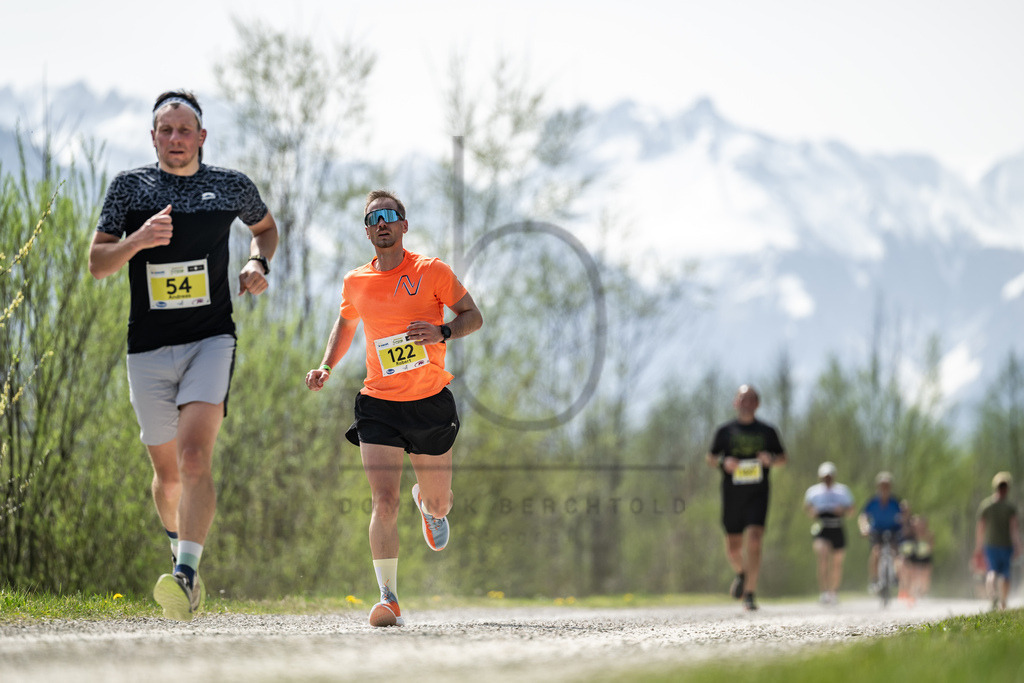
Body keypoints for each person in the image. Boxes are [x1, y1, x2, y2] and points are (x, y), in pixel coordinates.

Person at [88, 90, 278, 621]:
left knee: (196, 458)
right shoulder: (130, 188)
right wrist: (138, 241)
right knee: (168, 473)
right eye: (165, 130)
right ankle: (179, 548)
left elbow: (265, 229)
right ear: (153, 137)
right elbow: (97, 264)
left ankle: (186, 575)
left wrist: (257, 262)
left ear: (201, 137)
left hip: (210, 339)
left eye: (184, 130)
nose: (175, 139)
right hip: (147, 348)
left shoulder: (230, 185)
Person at [305, 190, 482, 627]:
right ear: (367, 231)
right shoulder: (356, 282)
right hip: (378, 405)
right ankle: (388, 598)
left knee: (441, 504)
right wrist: (327, 365)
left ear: (404, 225)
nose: (382, 223)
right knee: (382, 501)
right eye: (373, 218)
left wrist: (442, 332)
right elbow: (346, 324)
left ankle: (429, 504)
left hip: (429, 404)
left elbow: (473, 316)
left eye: (390, 216)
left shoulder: (431, 271)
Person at [705, 384, 787, 611]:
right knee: (733, 547)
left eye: (751, 399)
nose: (747, 403)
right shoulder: (725, 431)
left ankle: (750, 593)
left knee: (754, 539)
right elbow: (711, 458)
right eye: (743, 398)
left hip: (758, 494)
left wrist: (770, 459)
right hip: (732, 495)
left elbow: (783, 458)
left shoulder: (767, 431)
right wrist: (724, 462)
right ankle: (741, 574)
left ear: (758, 404)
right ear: (735, 402)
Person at [803, 462, 854, 605]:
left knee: (837, 562)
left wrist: (842, 510)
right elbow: (807, 508)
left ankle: (834, 591)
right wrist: (812, 512)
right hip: (822, 527)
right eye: (825, 477)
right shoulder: (813, 491)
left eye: (830, 476)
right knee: (823, 557)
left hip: (837, 526)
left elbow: (851, 510)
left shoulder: (842, 491)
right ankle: (824, 592)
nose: (827, 479)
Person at [974, 472, 1022, 610]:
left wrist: (978, 547)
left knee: (992, 571)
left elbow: (980, 528)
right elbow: (1014, 530)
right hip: (1006, 545)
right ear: (1007, 488)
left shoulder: (986, 506)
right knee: (1006, 574)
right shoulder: (1010, 508)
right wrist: (1019, 546)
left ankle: (993, 595)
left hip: (990, 545)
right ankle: (1003, 602)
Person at [857, 471, 906, 593]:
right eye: (882, 485)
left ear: (890, 487)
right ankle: (874, 580)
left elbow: (904, 517)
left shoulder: (896, 502)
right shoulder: (872, 502)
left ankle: (895, 576)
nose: (884, 488)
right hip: (877, 530)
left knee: (895, 551)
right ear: (878, 486)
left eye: (887, 485)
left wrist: (905, 524)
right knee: (876, 552)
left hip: (893, 530)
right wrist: (864, 528)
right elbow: (863, 516)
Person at [899, 514, 934, 603]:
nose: (918, 526)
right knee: (909, 569)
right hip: (912, 557)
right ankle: (908, 591)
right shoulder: (908, 535)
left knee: (925, 571)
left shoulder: (928, 535)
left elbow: (930, 549)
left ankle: (923, 591)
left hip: (924, 557)